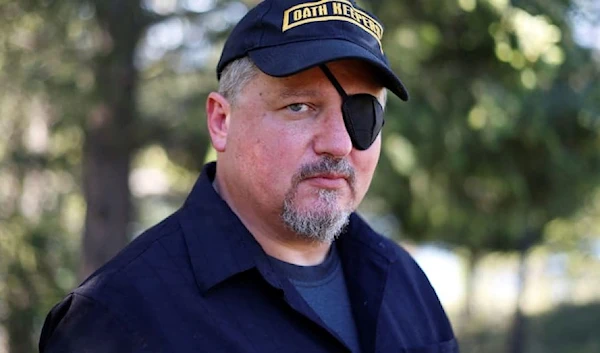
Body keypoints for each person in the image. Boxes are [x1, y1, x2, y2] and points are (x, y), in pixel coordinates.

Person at [39, 0, 459, 352]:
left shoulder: (404, 281)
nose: (339, 143)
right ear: (221, 121)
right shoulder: (119, 317)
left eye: (363, 113)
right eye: (299, 106)